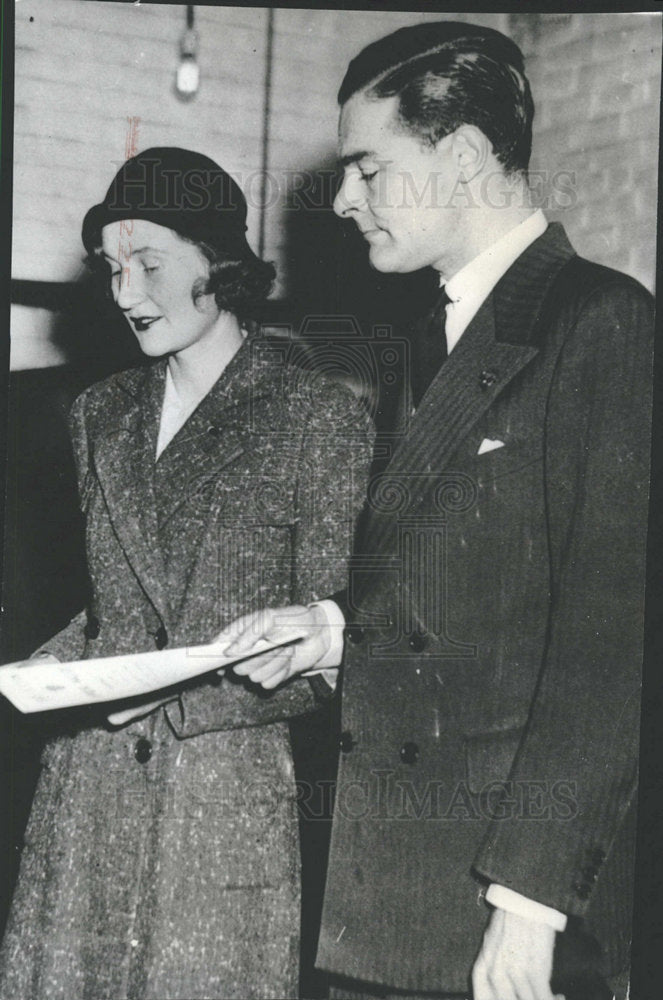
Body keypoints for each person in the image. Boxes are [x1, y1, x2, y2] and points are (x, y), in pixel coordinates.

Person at [220, 21, 653, 1000]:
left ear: (460, 157)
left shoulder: (602, 323)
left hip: (504, 907)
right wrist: (330, 631)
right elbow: (466, 595)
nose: (342, 199)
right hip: (389, 901)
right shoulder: (428, 333)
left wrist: (531, 902)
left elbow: (610, 644)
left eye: (368, 167)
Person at [0, 147, 373, 999]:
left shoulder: (315, 413)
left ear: (221, 264)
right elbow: (111, 608)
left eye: (150, 264)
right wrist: (52, 663)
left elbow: (332, 649)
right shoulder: (101, 412)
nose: (125, 293)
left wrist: (170, 692)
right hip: (85, 795)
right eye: (112, 268)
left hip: (220, 808)